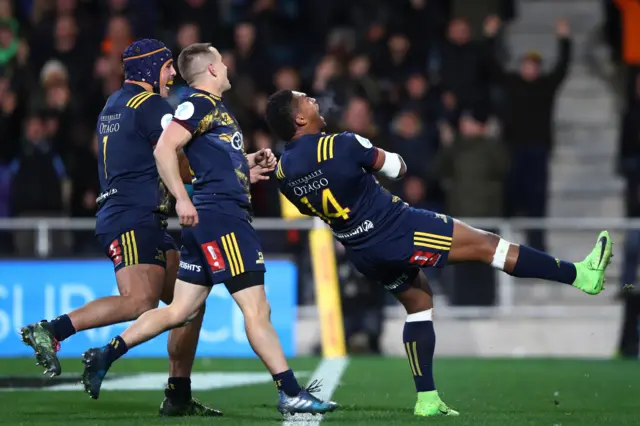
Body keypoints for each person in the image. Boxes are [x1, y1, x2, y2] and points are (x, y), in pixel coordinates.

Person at [265, 89, 614, 417]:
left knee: (418, 305)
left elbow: (312, 210)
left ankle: (428, 399)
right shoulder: (341, 144)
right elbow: (397, 168)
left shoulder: (282, 172)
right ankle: (581, 275)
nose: (313, 99)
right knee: (490, 246)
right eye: (305, 100)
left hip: (361, 250)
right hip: (396, 227)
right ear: (298, 119)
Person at [79, 43, 338, 416]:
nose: (228, 66)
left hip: (211, 219)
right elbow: (164, 150)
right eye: (221, 61)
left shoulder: (212, 108)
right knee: (257, 309)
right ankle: (290, 391)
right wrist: (182, 200)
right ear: (213, 70)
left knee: (179, 310)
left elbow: (206, 161)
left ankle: (106, 354)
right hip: (222, 219)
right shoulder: (196, 104)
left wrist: (247, 166)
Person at [19, 39, 222, 417]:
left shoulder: (112, 105)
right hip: (134, 217)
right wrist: (229, 169)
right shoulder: (152, 106)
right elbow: (175, 155)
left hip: (134, 216)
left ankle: (178, 394)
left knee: (190, 303)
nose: (172, 74)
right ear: (149, 70)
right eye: (166, 67)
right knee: (139, 301)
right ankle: (52, 330)